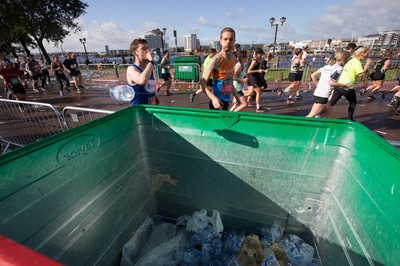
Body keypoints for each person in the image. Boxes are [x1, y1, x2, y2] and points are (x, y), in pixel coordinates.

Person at [329, 47, 370, 121]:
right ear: (361, 54)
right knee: (353, 102)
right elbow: (360, 74)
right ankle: (350, 119)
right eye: (365, 56)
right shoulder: (357, 62)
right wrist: (367, 65)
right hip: (347, 86)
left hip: (339, 84)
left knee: (331, 103)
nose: (365, 57)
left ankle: (318, 113)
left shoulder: (351, 60)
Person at [199, 27, 236, 110]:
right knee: (214, 123)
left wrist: (236, 95)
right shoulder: (215, 60)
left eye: (231, 39)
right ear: (221, 40)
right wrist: (213, 98)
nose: (228, 42)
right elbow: (202, 84)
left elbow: (229, 80)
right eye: (225, 39)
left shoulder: (233, 58)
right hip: (216, 102)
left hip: (226, 100)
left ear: (234, 41)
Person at [306, 51, 351, 118]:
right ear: (343, 60)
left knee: (329, 111)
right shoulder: (339, 69)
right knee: (311, 115)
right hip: (323, 95)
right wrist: (345, 85)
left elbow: (313, 75)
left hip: (318, 92)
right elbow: (331, 83)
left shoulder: (326, 67)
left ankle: (318, 124)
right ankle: (300, 127)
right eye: (347, 60)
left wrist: (318, 85)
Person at [126, 38, 158, 106]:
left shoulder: (149, 68)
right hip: (138, 112)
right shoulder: (131, 69)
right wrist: (151, 61)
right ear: (135, 52)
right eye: (143, 48)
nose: (147, 51)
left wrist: (155, 97)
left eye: (148, 48)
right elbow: (142, 81)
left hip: (150, 110)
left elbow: (150, 87)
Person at [244, 48, 267, 112]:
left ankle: (237, 96)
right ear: (258, 54)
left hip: (254, 78)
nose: (262, 55)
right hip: (254, 78)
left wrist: (262, 70)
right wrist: (258, 70)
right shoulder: (254, 61)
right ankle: (258, 108)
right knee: (258, 92)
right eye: (261, 54)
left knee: (250, 92)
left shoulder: (256, 60)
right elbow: (249, 70)